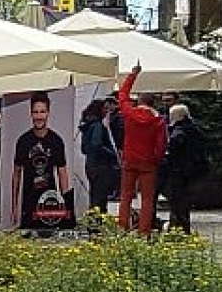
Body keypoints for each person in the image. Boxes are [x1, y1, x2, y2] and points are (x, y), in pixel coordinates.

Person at [114, 66, 164, 236]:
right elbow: (161, 145)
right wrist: (156, 159)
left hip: (130, 159)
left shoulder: (130, 113)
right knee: (147, 199)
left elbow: (122, 94)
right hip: (148, 162)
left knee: (126, 196)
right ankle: (144, 230)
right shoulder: (158, 121)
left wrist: (133, 75)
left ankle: (122, 227)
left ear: (140, 102)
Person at [12, 93, 72, 230]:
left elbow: (63, 174)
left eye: (42, 112)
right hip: (28, 203)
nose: (39, 116)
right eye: (36, 112)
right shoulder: (23, 141)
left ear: (48, 113)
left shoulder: (56, 141)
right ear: (31, 114)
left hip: (50, 203)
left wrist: (66, 205)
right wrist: (14, 207)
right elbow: (16, 175)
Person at [161, 103, 208, 234]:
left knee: (177, 201)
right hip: (193, 171)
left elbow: (172, 150)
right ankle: (181, 228)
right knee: (184, 201)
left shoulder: (179, 132)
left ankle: (179, 229)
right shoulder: (196, 129)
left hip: (179, 171)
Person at [79, 97, 121, 216]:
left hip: (91, 165)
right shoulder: (98, 125)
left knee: (95, 196)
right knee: (100, 199)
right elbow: (97, 144)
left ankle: (94, 223)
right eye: (105, 109)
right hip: (101, 166)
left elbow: (84, 148)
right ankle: (96, 225)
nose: (107, 111)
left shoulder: (87, 126)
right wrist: (112, 154)